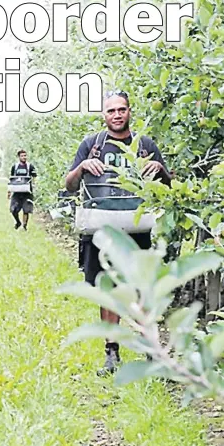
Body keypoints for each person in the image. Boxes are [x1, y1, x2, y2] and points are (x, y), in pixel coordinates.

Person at [65, 90, 171, 376]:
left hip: (136, 226)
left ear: (129, 112)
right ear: (104, 115)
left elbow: (168, 187)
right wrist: (83, 166)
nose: (116, 115)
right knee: (107, 290)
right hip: (101, 228)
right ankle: (111, 353)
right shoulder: (92, 145)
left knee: (141, 289)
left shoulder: (144, 145)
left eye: (121, 110)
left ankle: (150, 349)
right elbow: (70, 185)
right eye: (111, 111)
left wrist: (159, 168)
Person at [8, 149, 37, 230]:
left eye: (25, 155)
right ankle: (18, 222)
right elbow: (12, 178)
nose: (24, 157)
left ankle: (24, 226)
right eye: (22, 156)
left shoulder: (30, 166)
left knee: (26, 209)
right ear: (19, 157)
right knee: (13, 209)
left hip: (27, 192)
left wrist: (34, 186)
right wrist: (9, 191)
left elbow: (34, 177)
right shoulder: (15, 167)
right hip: (17, 191)